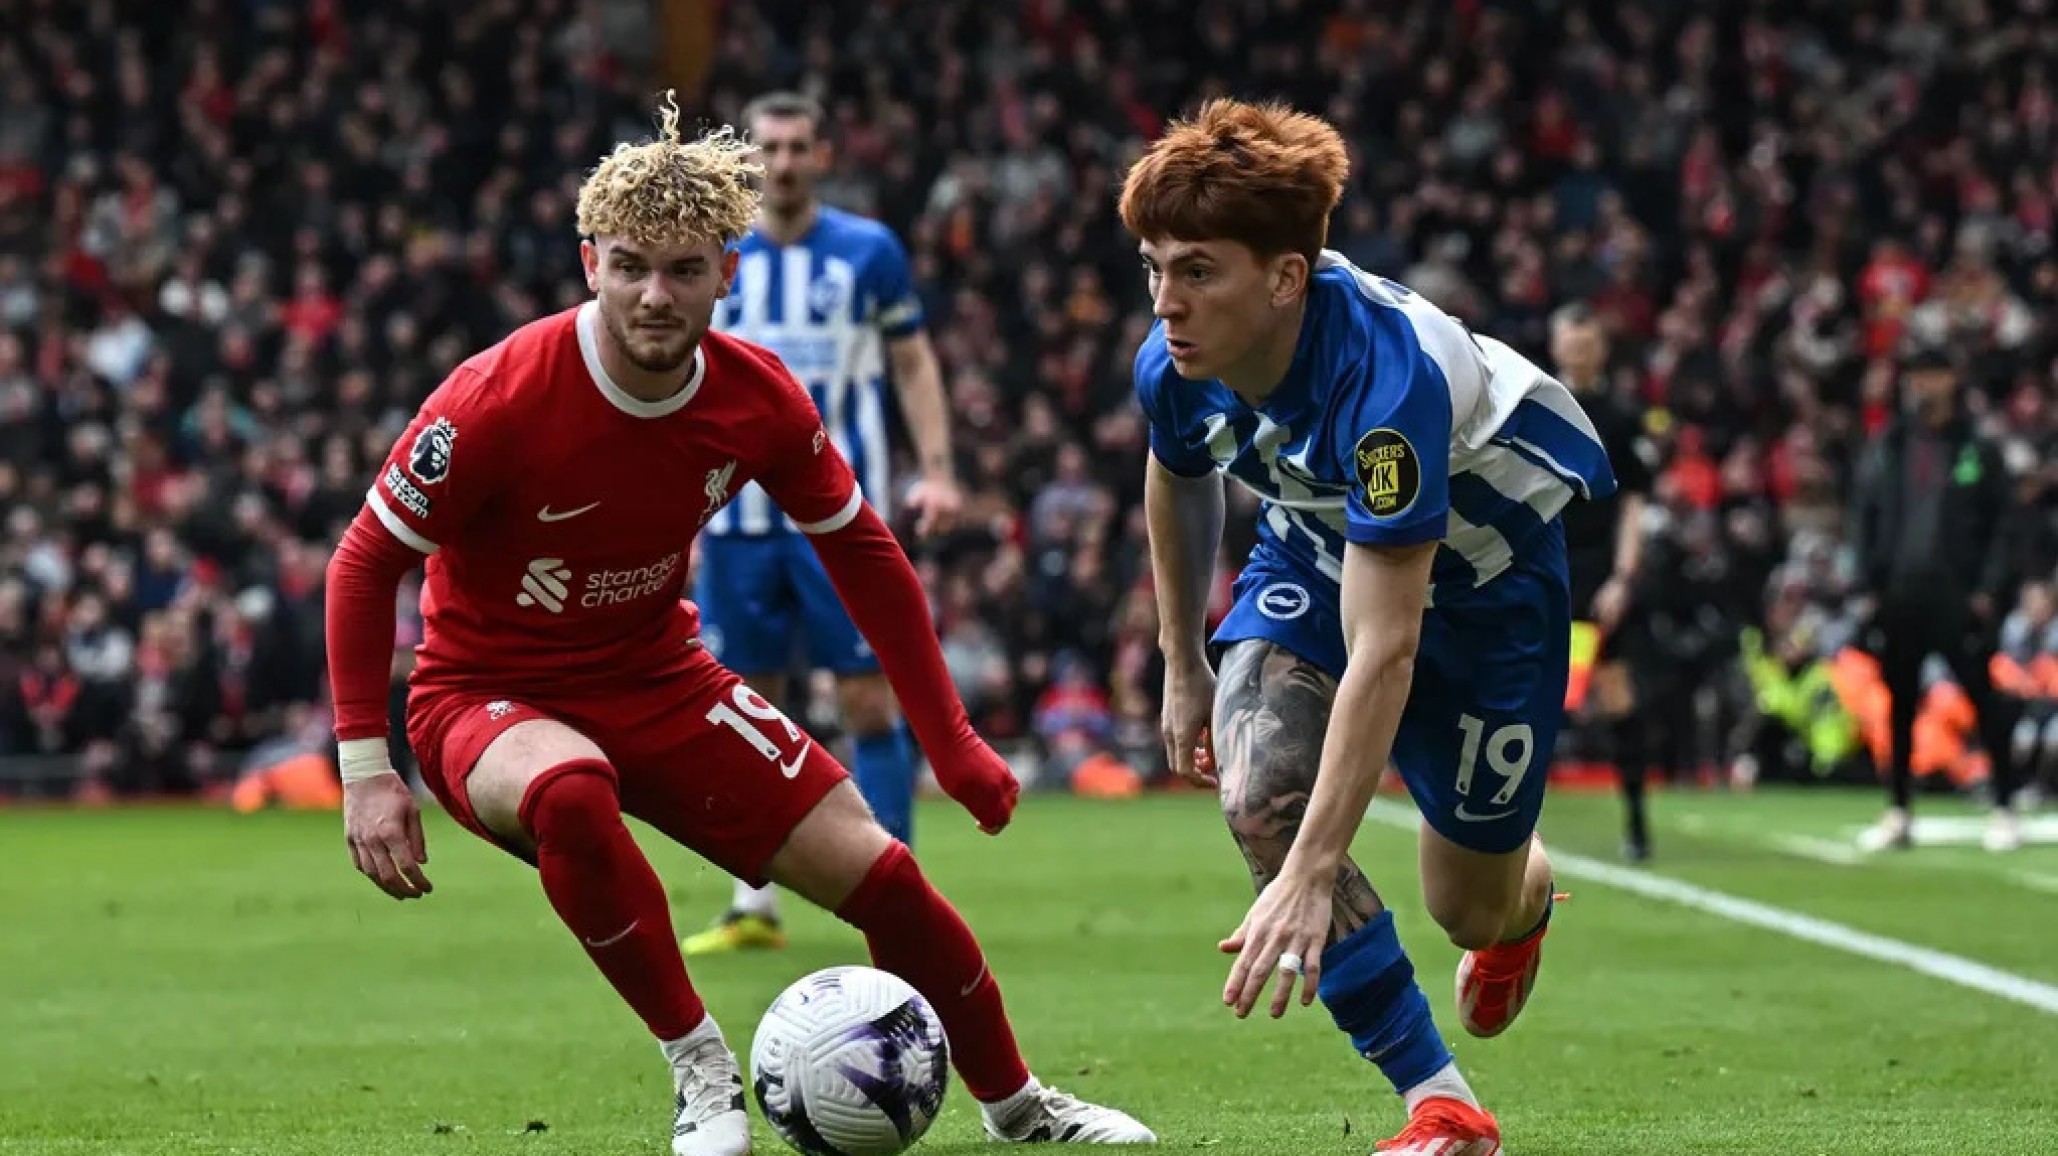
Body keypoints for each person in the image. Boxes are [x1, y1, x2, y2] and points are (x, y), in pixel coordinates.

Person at [323, 96, 1153, 1156]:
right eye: (630, 267)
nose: (654, 294)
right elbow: (364, 562)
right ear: (590, 264)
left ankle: (1022, 1108)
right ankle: (701, 1070)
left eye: (682, 270)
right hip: (487, 693)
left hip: (657, 674)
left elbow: (866, 552)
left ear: (728, 271)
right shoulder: (498, 396)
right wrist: (365, 769)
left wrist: (951, 740)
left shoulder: (757, 398)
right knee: (570, 790)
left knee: (885, 877)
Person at [1120, 99, 1616, 1156]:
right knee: (1259, 795)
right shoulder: (1173, 361)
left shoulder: (1386, 383)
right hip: (1317, 549)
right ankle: (1443, 1104)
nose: (1166, 302)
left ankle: (1522, 905)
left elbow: (1386, 648)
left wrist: (1314, 872)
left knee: (1467, 909)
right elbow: (1177, 474)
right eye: (1154, 268)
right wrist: (1181, 660)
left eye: (1198, 271)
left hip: (1487, 589)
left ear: (1286, 279)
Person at [685, 91, 963, 955]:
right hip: (735, 518)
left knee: (867, 698)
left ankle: (897, 892)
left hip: (839, 515)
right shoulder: (714, 253)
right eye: (768, 147)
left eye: (798, 146)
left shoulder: (868, 251)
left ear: (823, 156)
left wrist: (939, 470)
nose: (783, 162)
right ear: (747, 158)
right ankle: (752, 904)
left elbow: (912, 361)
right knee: (747, 707)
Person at [1848, 344, 2022, 853]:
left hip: (1957, 593)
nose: (1923, 385)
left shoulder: (1977, 447)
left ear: (1952, 380)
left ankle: (2004, 804)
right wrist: (1868, 584)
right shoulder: (1890, 444)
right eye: (1917, 376)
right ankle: (1899, 808)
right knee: (1900, 703)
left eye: (1933, 375)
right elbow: (1866, 514)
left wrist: (1988, 588)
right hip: (1900, 590)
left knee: (1982, 697)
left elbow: (2002, 524)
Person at [1548, 304, 1656, 860]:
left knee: (1616, 695)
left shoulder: (1621, 417)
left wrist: (1622, 577)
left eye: (1587, 343)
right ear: (1556, 346)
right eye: (1571, 342)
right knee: (1532, 695)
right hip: (1543, 567)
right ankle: (1513, 827)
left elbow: (1634, 504)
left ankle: (1636, 823)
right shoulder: (1534, 406)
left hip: (1596, 574)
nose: (1579, 352)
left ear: (1602, 349)